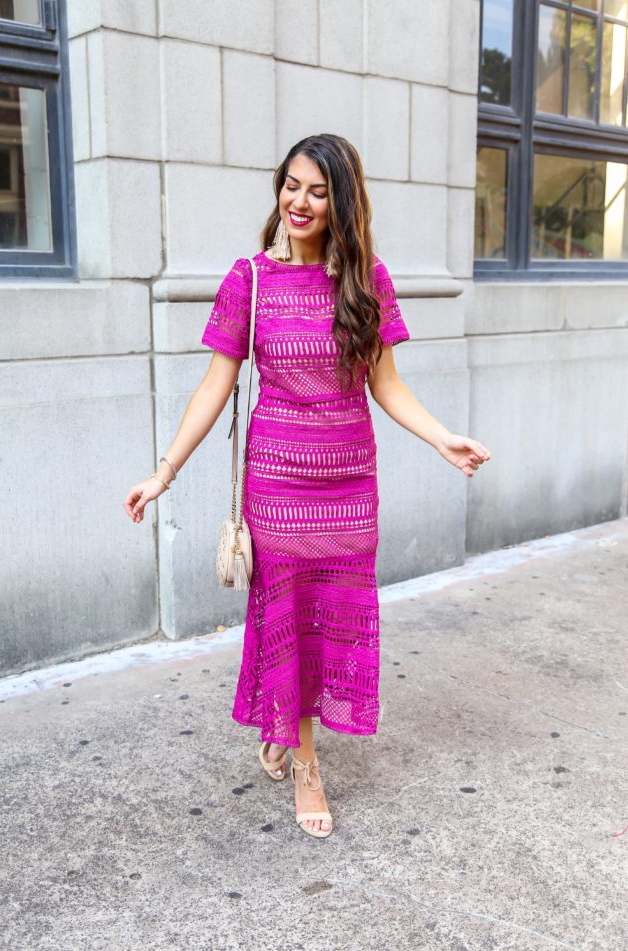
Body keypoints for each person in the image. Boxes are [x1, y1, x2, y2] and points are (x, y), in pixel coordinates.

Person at [124, 133, 492, 840]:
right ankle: (306, 761)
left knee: (333, 613)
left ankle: (283, 728)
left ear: (341, 202)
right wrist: (163, 470)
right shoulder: (250, 280)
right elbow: (213, 385)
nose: (299, 201)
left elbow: (386, 384)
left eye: (318, 191)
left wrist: (441, 436)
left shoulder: (365, 279)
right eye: (291, 185)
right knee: (288, 612)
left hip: (349, 480)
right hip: (278, 482)